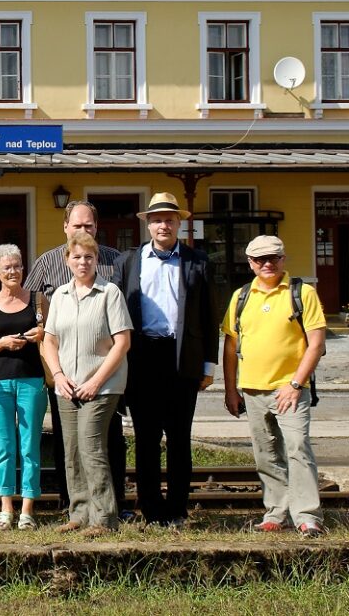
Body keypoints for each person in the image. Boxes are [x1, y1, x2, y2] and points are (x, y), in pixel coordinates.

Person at [112, 192, 218, 528]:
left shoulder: (198, 260)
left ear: (179, 223)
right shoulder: (128, 262)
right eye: (157, 219)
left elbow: (208, 315)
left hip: (181, 357)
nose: (163, 225)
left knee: (179, 438)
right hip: (143, 357)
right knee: (145, 439)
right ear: (147, 224)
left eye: (169, 219)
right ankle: (151, 510)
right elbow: (115, 315)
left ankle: (177, 509)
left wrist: (208, 365)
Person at [24, 200, 128, 516]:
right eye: (77, 226)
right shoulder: (47, 263)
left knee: (105, 441)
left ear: (96, 228)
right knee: (69, 445)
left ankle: (112, 508)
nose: (83, 232)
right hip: (65, 373)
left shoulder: (116, 262)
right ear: (66, 227)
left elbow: (123, 328)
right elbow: (37, 314)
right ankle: (75, 507)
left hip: (104, 373)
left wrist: (100, 376)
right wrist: (53, 371)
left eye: (89, 226)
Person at [222, 235, 327, 538]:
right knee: (266, 454)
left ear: (283, 259)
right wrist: (231, 389)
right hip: (253, 389)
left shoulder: (302, 293)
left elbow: (316, 343)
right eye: (259, 259)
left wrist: (295, 383)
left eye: (273, 258)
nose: (267, 264)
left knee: (297, 448)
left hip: (289, 389)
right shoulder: (242, 296)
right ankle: (277, 512)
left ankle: (307, 515)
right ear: (250, 263)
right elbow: (231, 347)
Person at [42, 231, 133, 537]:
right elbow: (49, 342)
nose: (83, 262)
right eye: (77, 257)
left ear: (97, 261)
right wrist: (58, 376)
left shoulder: (110, 293)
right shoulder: (60, 297)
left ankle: (105, 518)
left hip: (103, 386)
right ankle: (79, 513)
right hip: (67, 385)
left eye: (89, 257)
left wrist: (96, 381)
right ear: (68, 260)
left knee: (91, 444)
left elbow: (122, 343)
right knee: (71, 449)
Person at [0, 244, 47, 531]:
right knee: (3, 446)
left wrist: (42, 333)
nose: (13, 271)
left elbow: (52, 338)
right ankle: (6, 507)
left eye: (17, 266)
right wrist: (2, 343)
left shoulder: (39, 301)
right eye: (7, 268)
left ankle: (28, 508)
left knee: (30, 446)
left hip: (32, 379)